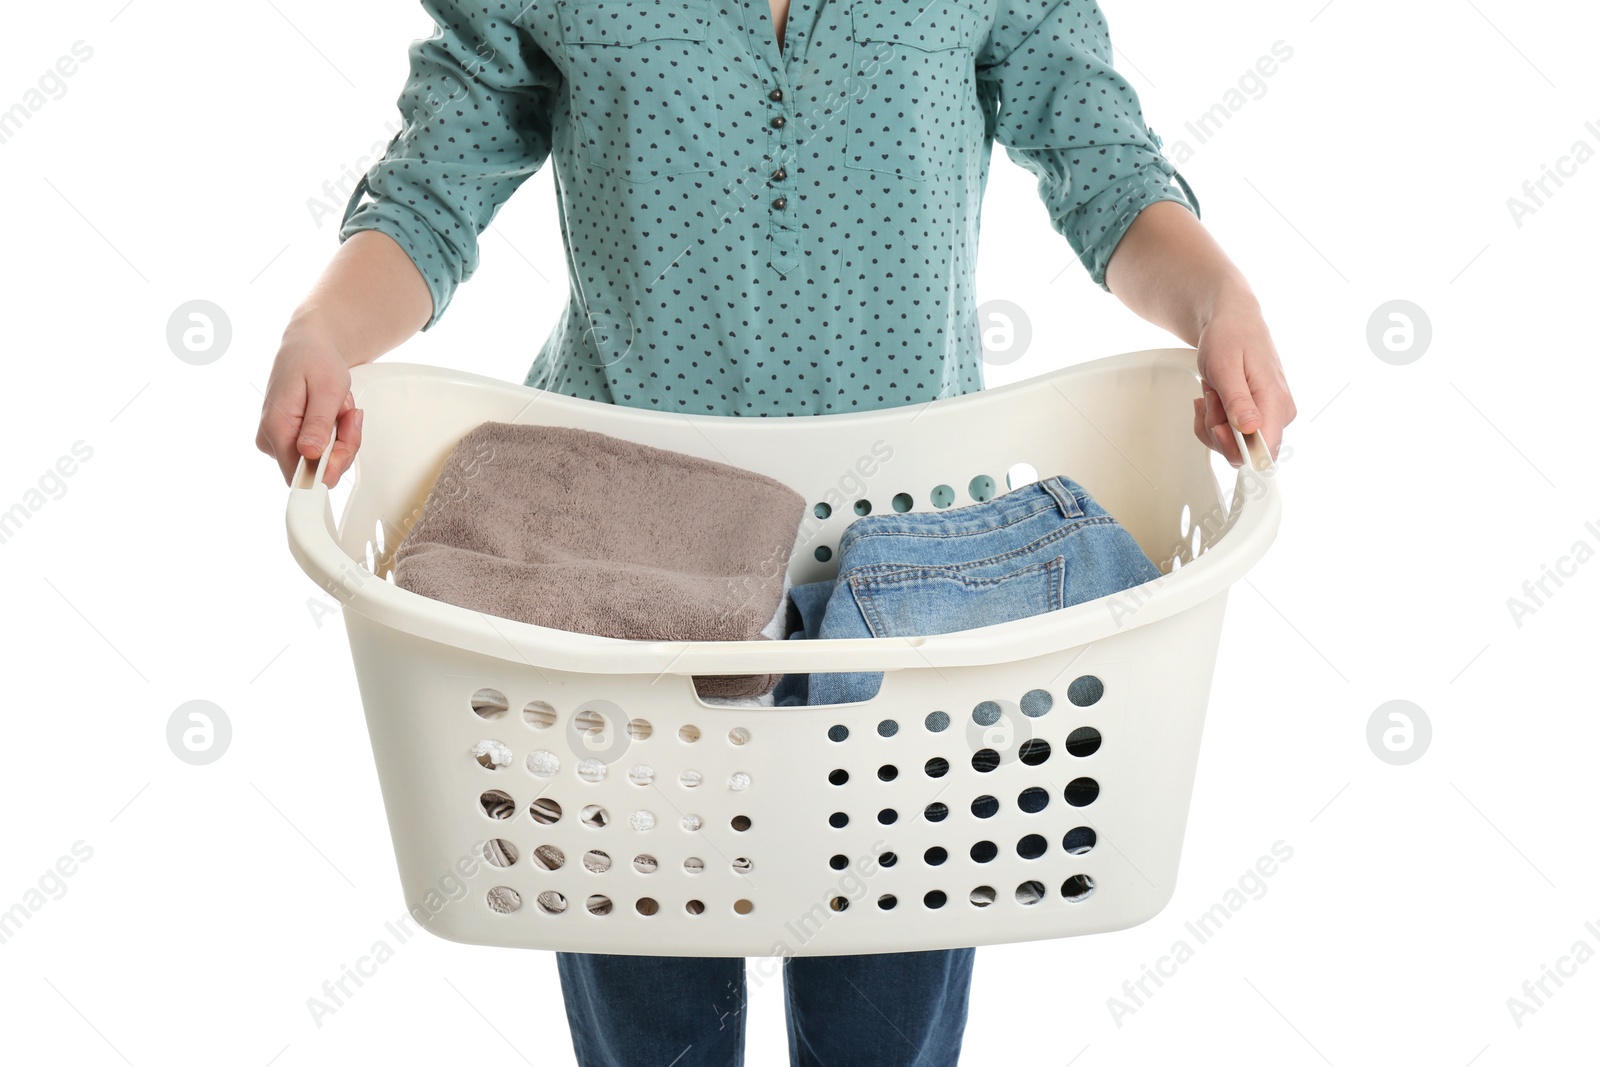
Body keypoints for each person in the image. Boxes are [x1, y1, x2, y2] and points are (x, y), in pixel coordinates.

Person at [257, 1, 1296, 1063]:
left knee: (882, 1034)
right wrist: (323, 330)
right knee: (653, 1030)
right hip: (621, 578)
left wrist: (1217, 300)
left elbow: (1102, 165)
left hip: (910, 584)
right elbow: (429, 194)